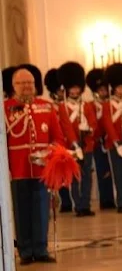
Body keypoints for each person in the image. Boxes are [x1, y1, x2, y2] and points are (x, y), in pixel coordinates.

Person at [4, 66, 65, 264]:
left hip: (41, 168)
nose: (27, 87)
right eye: (22, 83)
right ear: (14, 86)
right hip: (18, 169)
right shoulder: (5, 108)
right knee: (21, 211)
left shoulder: (46, 107)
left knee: (41, 209)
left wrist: (52, 157)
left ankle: (40, 248)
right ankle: (25, 250)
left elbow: (57, 138)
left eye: (30, 83)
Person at [57, 61, 97, 217]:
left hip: (87, 145)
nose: (74, 90)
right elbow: (66, 127)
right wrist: (75, 144)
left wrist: (89, 130)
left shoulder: (86, 106)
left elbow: (93, 122)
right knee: (74, 178)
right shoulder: (63, 107)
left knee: (87, 177)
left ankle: (86, 204)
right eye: (72, 88)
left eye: (77, 87)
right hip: (73, 148)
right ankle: (78, 205)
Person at [101, 63, 122, 213]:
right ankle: (121, 201)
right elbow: (107, 124)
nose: (121, 90)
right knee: (118, 174)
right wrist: (116, 141)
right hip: (114, 144)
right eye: (118, 87)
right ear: (113, 88)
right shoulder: (107, 105)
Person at [86, 68, 116, 210]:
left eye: (105, 90)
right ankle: (105, 199)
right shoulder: (91, 105)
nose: (104, 92)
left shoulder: (110, 104)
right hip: (99, 142)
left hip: (111, 140)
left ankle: (113, 197)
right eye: (101, 90)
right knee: (103, 171)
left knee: (113, 171)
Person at [44, 67, 72, 214]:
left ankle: (69, 201)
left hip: (67, 143)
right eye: (60, 91)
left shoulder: (67, 105)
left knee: (67, 174)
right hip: (57, 144)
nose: (63, 93)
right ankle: (63, 201)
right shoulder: (50, 106)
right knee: (58, 175)